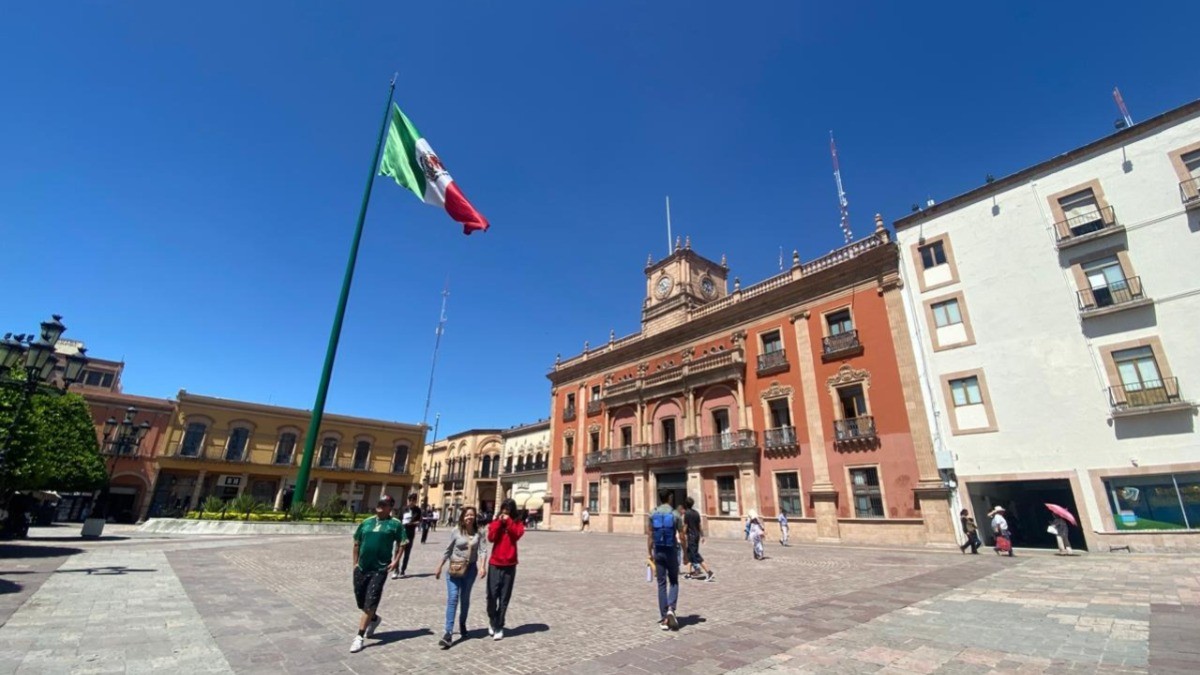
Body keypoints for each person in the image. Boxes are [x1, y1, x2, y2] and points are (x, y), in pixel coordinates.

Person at [350, 496, 406, 654]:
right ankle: (374, 619)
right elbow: (356, 542)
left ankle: (359, 636)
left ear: (390, 508)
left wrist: (395, 561)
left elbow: (403, 543)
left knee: (371, 601)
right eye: (379, 503)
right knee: (361, 602)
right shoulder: (367, 522)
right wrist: (355, 563)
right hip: (362, 568)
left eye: (384, 504)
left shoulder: (395, 524)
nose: (380, 506)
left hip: (380, 569)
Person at [435, 506, 487, 648]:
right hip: (454, 569)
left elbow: (483, 550)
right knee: (453, 598)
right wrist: (439, 566)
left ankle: (462, 623)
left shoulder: (480, 532)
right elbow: (448, 549)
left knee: (465, 599)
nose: (469, 517)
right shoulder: (456, 531)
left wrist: (483, 566)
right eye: (467, 515)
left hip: (470, 570)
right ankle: (448, 633)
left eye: (472, 515)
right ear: (462, 517)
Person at [486, 498, 524, 640]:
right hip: (495, 563)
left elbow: (516, 535)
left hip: (510, 564)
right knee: (491, 596)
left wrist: (508, 522)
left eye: (508, 511)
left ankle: (499, 625)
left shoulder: (517, 523)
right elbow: (491, 537)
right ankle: (492, 619)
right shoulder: (496, 522)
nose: (505, 513)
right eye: (503, 510)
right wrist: (498, 523)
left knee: (504, 598)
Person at [647, 488, 684, 631]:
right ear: (669, 497)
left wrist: (650, 552)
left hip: (658, 550)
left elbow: (650, 535)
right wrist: (686, 554)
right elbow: (682, 536)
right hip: (671, 551)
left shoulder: (652, 513)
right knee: (674, 581)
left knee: (661, 583)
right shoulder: (675, 514)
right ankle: (671, 608)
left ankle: (664, 617)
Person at [682, 497, 714, 582]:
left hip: (691, 536)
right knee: (689, 554)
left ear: (686, 504)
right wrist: (702, 536)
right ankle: (688, 574)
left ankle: (709, 572)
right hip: (696, 536)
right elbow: (699, 525)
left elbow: (685, 526)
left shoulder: (687, 514)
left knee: (695, 554)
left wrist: (682, 535)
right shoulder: (696, 513)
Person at [392, 494, 422, 579]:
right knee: (397, 551)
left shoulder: (418, 510)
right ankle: (395, 570)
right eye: (410, 500)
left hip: (410, 532)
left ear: (415, 501)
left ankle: (402, 570)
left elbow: (419, 521)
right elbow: (398, 519)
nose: (411, 502)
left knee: (407, 552)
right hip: (401, 532)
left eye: (413, 501)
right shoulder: (403, 509)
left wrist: (413, 523)